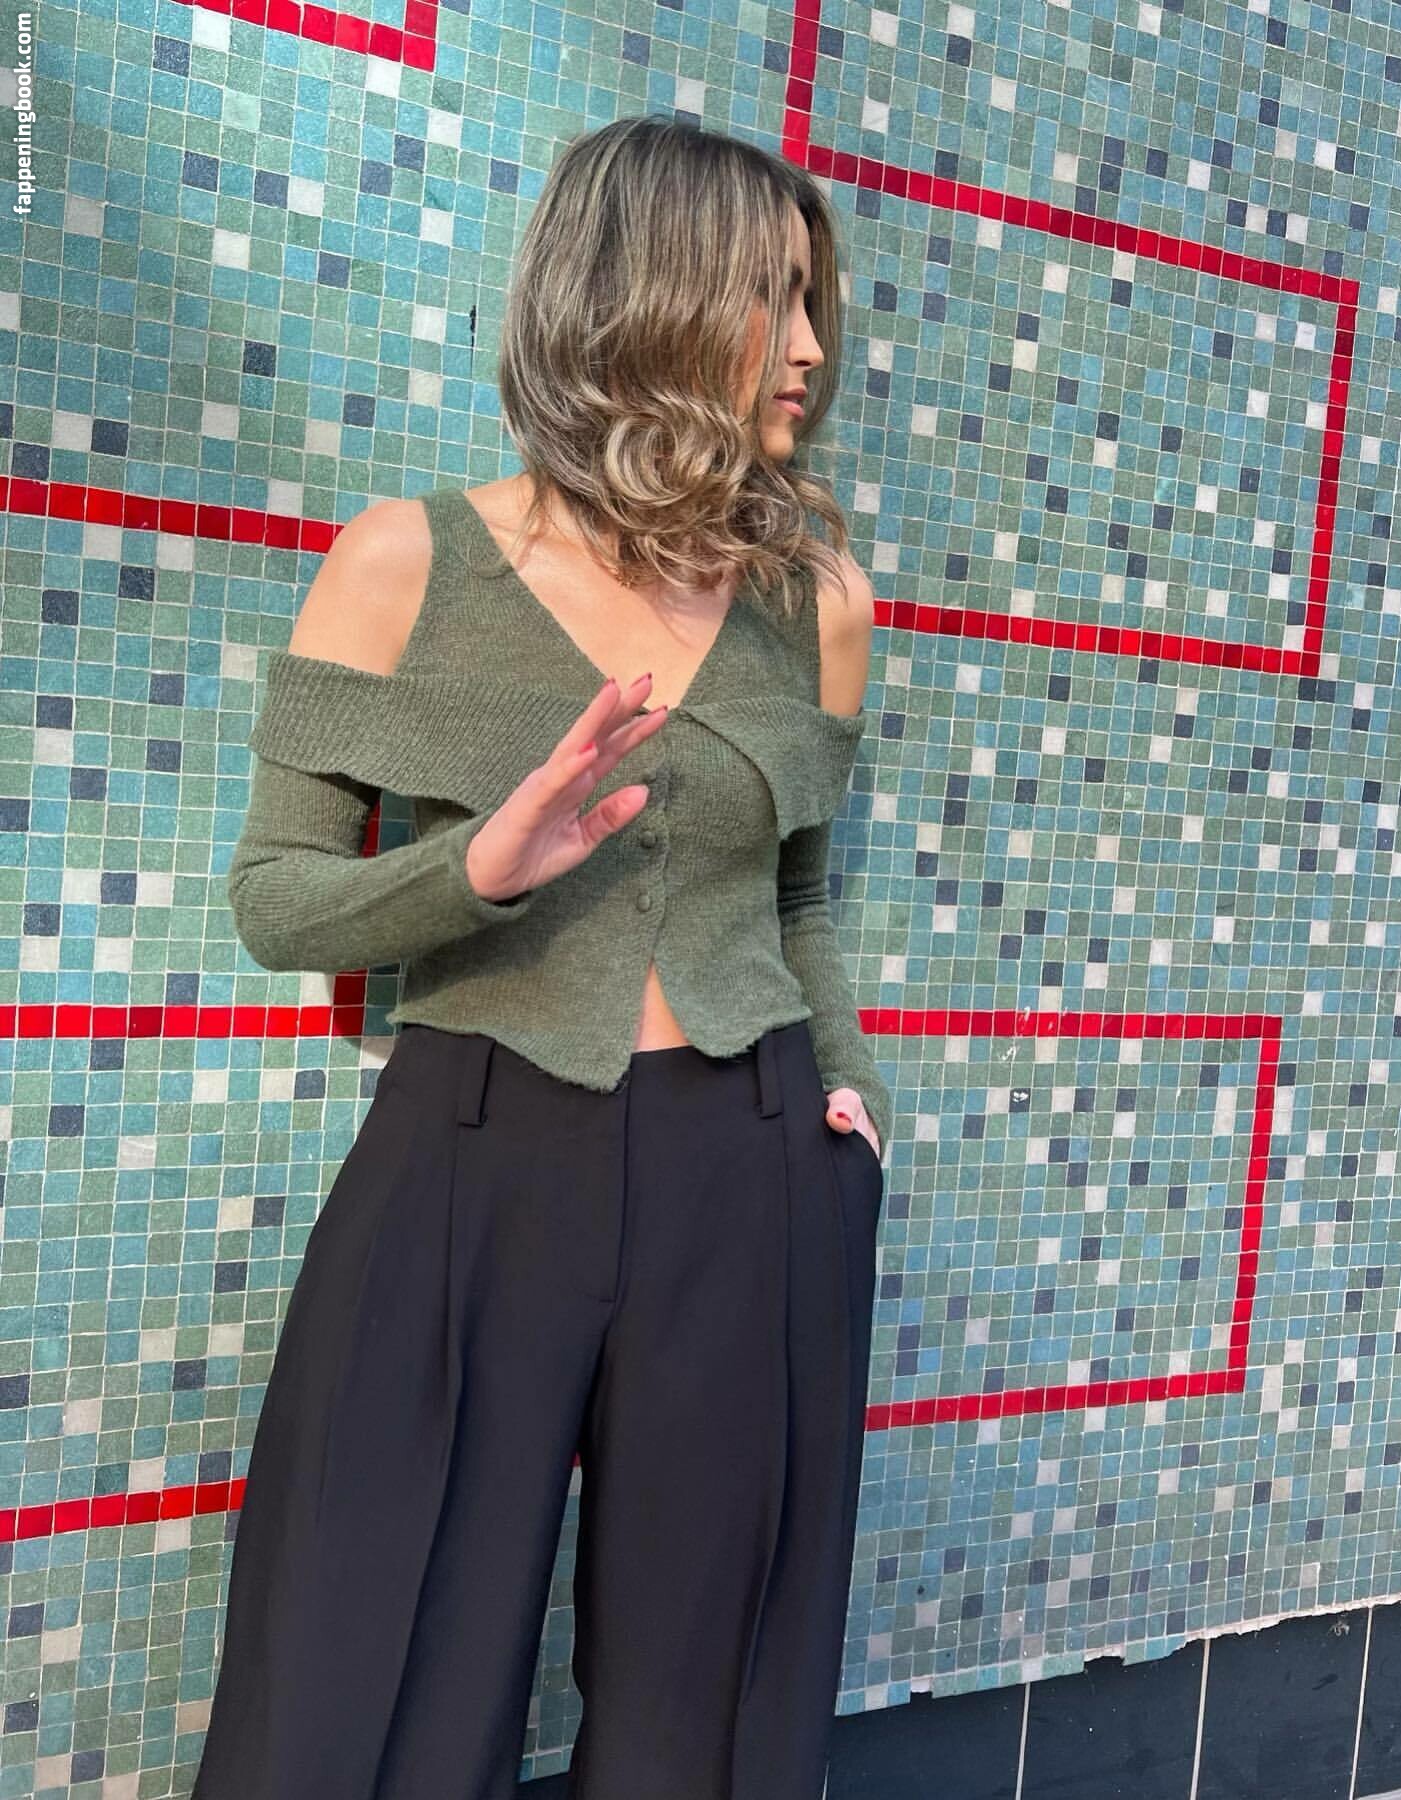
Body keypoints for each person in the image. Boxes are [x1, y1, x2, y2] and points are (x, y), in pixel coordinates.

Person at [192, 114, 894, 1800]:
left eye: (814, 301)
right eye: (770, 297)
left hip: (751, 1160)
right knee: (374, 1659)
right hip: (474, 1149)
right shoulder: (404, 562)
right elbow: (277, 898)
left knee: (704, 1701)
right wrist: (476, 870)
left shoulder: (820, 602)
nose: (811, 346)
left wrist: (852, 1097)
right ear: (642, 296)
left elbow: (800, 901)